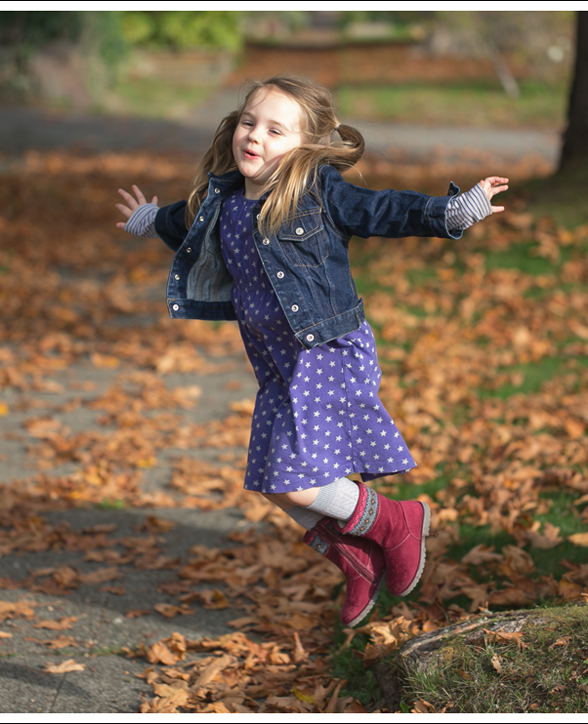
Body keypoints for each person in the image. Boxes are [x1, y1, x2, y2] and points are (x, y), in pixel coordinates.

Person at [115, 75, 508, 628]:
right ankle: (357, 558)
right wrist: (148, 220)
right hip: (276, 364)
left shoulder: (319, 191)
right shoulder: (222, 198)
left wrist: (452, 212)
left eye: (276, 130)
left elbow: (384, 210)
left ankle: (395, 523)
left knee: (293, 481)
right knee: (272, 483)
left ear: (305, 146)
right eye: (250, 122)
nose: (255, 136)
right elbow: (184, 224)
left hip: (325, 351)